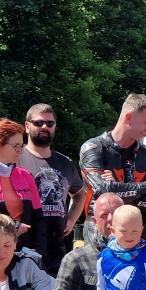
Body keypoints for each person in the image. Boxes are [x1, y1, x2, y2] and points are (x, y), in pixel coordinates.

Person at [18, 103, 85, 276]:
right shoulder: (16, 157)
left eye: (50, 123)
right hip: (24, 244)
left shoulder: (65, 162)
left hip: (56, 247)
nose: (44, 127)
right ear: (27, 126)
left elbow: (79, 194)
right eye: (38, 123)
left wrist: (71, 219)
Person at [79, 94, 146, 225]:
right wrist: (144, 187)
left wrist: (116, 190)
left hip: (138, 231)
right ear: (129, 117)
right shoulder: (94, 148)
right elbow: (101, 192)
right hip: (100, 231)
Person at [0, 119, 46, 257]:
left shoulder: (26, 176)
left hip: (25, 251)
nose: (21, 151)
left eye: (21, 146)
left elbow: (39, 219)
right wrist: (12, 225)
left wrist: (39, 251)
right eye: (16, 146)